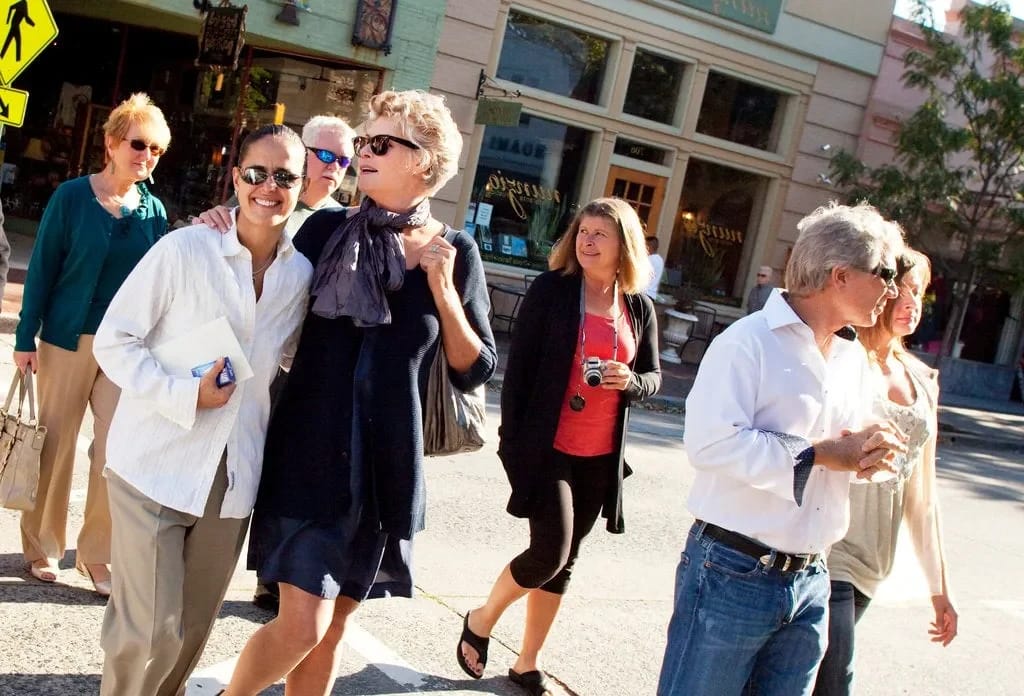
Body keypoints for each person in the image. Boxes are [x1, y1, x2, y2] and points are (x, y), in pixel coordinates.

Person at [218, 89, 496, 696]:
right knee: (301, 625)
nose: (362, 153)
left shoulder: (457, 251)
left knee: (335, 625)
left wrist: (445, 291)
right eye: (363, 141)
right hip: (307, 450)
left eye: (380, 143)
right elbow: (251, 267)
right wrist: (225, 221)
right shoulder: (326, 230)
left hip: (385, 466)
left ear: (423, 161)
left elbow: (474, 369)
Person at [93, 124, 313, 696]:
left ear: (302, 184)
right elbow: (114, 341)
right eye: (257, 173)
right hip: (153, 463)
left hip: (233, 478)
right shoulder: (184, 249)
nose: (270, 186)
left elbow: (289, 363)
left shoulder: (300, 276)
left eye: (285, 176)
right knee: (149, 628)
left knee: (190, 631)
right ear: (236, 178)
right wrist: (183, 393)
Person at [656, 202, 909, 696]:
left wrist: (870, 451)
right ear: (840, 275)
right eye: (884, 274)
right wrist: (818, 454)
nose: (893, 290)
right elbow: (710, 443)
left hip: (814, 577)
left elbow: (849, 447)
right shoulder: (747, 341)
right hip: (732, 571)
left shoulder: (852, 356)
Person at [457, 198, 661, 696]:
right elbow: (518, 369)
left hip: (600, 454)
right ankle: (481, 618)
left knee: (566, 560)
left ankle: (527, 661)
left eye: (600, 235)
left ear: (623, 247)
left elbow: (653, 377)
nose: (587, 241)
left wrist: (630, 381)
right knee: (549, 551)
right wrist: (512, 444)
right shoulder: (552, 291)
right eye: (583, 231)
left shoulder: (637, 306)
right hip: (547, 446)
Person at [13, 93, 170, 596]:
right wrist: (24, 336)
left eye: (156, 150)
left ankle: (97, 555)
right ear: (111, 143)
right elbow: (41, 270)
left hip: (125, 349)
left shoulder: (155, 211)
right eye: (138, 144)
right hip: (65, 338)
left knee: (114, 450)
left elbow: (159, 284)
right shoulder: (72, 197)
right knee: (56, 444)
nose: (146, 156)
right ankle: (42, 546)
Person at [206, 113, 357, 613]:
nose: (335, 168)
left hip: (304, 371)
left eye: (345, 160)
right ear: (302, 152)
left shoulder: (345, 222)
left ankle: (274, 572)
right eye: (327, 156)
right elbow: (220, 239)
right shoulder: (262, 201)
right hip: (246, 364)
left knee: (278, 468)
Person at [813, 249, 958, 696]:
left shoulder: (922, 380)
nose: (911, 300)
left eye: (920, 290)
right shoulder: (841, 356)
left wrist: (940, 591)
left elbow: (923, 497)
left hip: (873, 565)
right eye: (902, 288)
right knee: (837, 683)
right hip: (826, 554)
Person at [644, 235, 664, 299]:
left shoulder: (648, 259)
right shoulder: (660, 260)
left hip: (643, 293)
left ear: (648, 246)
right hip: (652, 295)